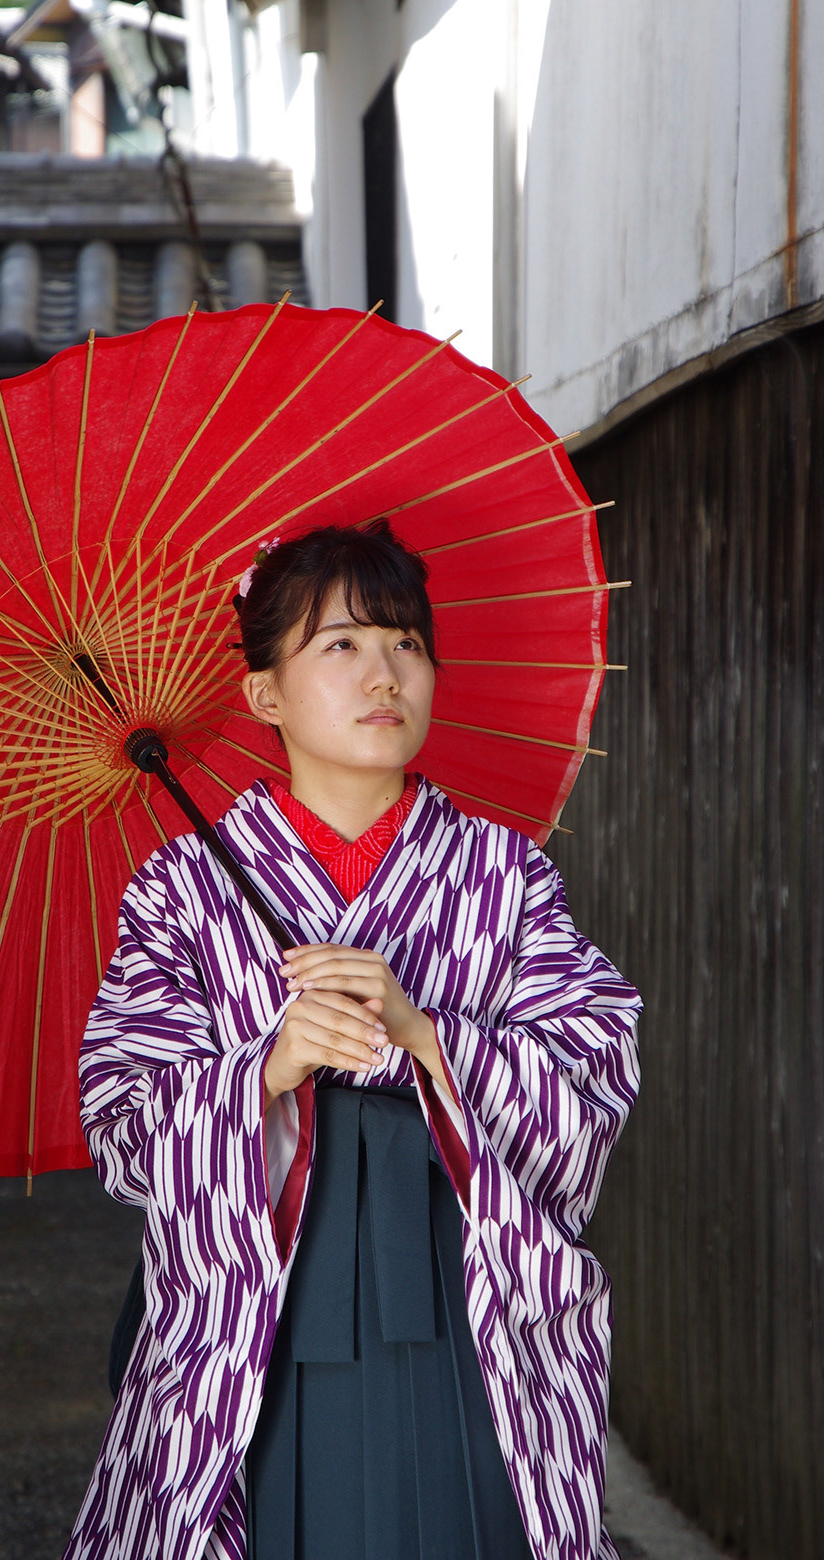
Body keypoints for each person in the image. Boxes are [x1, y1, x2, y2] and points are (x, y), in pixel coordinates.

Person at [64, 521, 642, 1560]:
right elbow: (123, 1126)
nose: (385, 674)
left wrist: (423, 1032)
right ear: (265, 694)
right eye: (341, 644)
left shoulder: (503, 877)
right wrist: (268, 1066)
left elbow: (590, 1080)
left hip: (462, 1302)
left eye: (406, 643)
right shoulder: (182, 891)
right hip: (256, 1321)